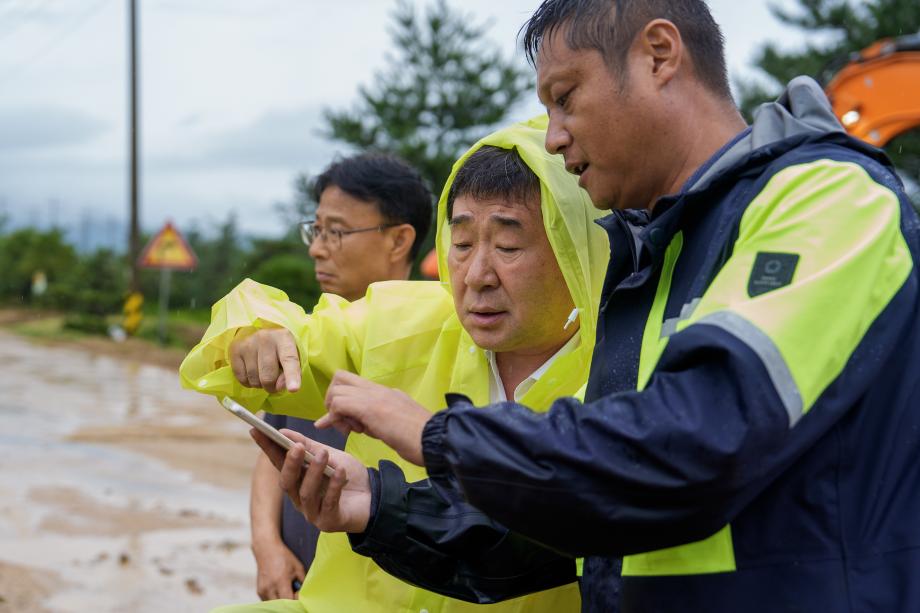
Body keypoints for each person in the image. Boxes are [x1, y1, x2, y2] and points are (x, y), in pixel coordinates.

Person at [268, 1, 920, 612]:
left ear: (659, 55)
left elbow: (691, 445)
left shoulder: (828, 202)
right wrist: (375, 505)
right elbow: (584, 515)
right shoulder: (656, 261)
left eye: (565, 97)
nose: (553, 137)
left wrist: (437, 433)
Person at [179, 117, 610, 612]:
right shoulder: (401, 321)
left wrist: (408, 463)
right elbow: (297, 334)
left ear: (576, 250)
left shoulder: (620, 379)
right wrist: (256, 332)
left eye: (508, 247)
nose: (476, 275)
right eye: (462, 245)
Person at [249, 154, 432, 601]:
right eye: (316, 230)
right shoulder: (307, 339)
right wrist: (267, 547)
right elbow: (271, 449)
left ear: (399, 240)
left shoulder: (432, 349)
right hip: (296, 587)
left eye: (336, 232)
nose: (317, 248)